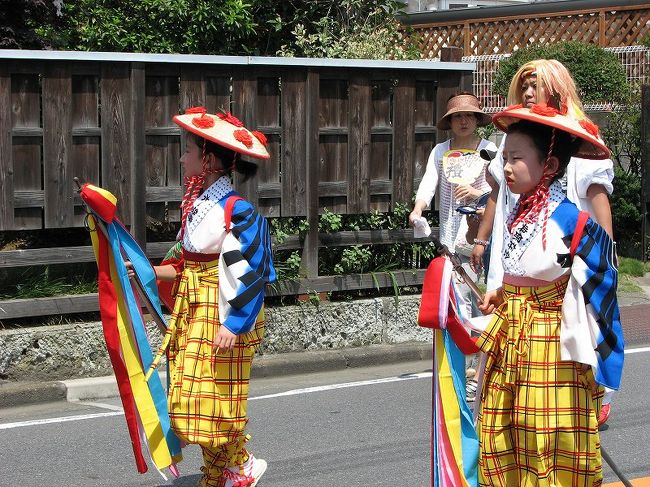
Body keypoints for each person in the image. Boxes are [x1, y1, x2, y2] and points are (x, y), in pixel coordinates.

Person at [475, 102, 624, 486]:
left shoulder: (573, 221)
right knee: (499, 432)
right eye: (505, 158)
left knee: (547, 440)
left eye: (516, 159)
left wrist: (601, 361)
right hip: (512, 335)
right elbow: (520, 275)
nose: (506, 168)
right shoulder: (520, 211)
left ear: (550, 167)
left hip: (551, 343)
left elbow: (604, 283)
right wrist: (501, 297)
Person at [470, 59, 616, 423]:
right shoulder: (516, 150)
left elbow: (600, 228)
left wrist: (599, 260)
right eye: (525, 85)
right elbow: (496, 195)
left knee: (545, 427)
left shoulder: (572, 155)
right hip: (516, 292)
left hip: (557, 299)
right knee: (508, 421)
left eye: (538, 85)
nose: (530, 92)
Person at [151, 107, 275, 487]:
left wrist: (235, 324)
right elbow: (185, 263)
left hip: (222, 310)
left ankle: (237, 466)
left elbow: (255, 272)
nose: (182, 156)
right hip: (195, 307)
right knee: (194, 397)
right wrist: (147, 271)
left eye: (187, 149)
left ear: (207, 158)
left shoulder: (237, 210)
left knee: (212, 398)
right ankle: (228, 469)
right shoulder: (199, 203)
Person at [409, 92, 496, 319]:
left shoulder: (489, 150)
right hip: (449, 234)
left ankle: (481, 347)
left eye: (469, 115)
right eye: (458, 117)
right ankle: (462, 348)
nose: (464, 121)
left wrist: (476, 192)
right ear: (450, 121)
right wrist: (418, 208)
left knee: (482, 297)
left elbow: (502, 190)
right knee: (457, 295)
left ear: (477, 119)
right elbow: (429, 182)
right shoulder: (440, 150)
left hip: (481, 235)